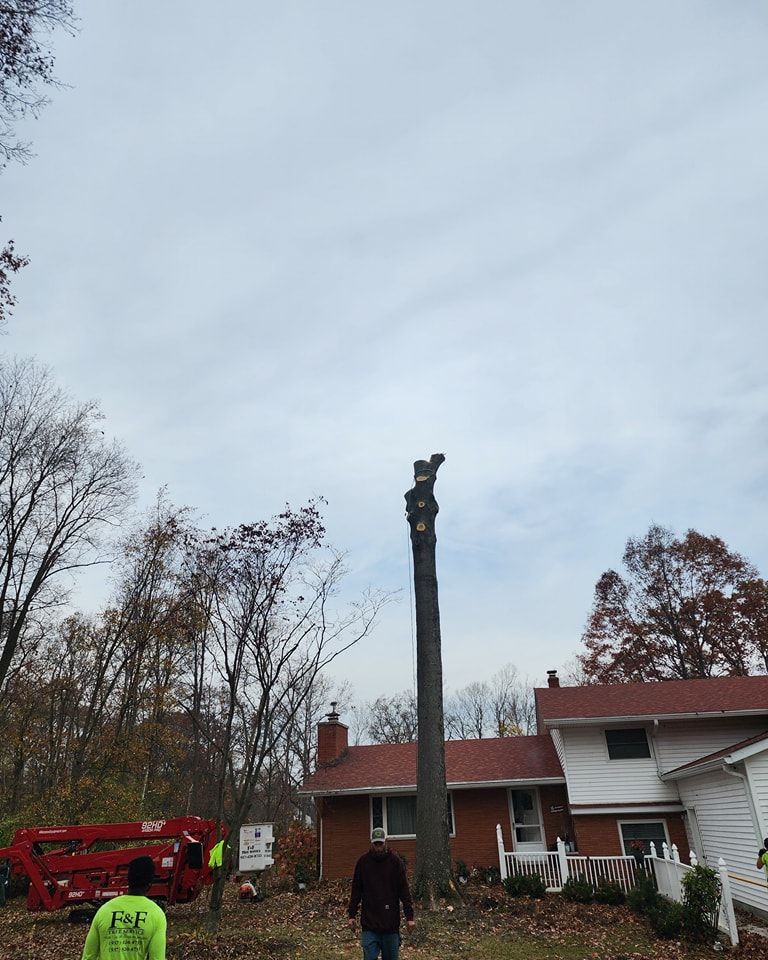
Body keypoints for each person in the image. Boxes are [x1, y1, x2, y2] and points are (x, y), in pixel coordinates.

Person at [81, 855, 166, 960]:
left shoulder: (104, 910)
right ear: (150, 883)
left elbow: (88, 956)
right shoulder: (156, 914)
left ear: (128, 880)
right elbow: (157, 958)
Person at [348, 827, 415, 960]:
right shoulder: (363, 863)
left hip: (390, 925)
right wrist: (351, 915)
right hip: (369, 924)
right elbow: (356, 891)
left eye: (381, 843)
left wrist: (410, 917)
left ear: (386, 842)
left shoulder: (395, 863)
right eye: (376, 844)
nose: (378, 847)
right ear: (371, 843)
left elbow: (404, 891)